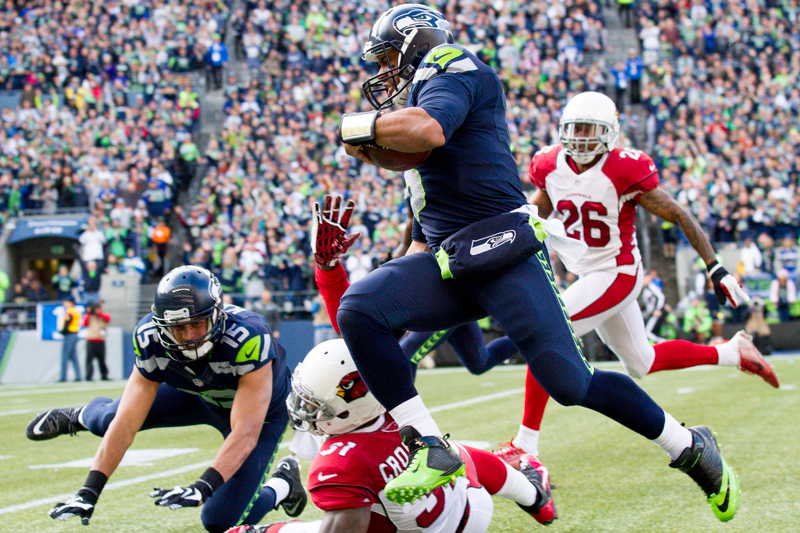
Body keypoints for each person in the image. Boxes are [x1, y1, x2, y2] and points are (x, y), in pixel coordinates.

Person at [337, 5, 739, 522]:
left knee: (570, 384)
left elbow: (428, 132)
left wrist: (358, 125)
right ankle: (429, 443)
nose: (385, 70)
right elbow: (422, 229)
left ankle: (688, 445)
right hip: (451, 261)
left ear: (416, 43)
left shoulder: (452, 64)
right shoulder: (416, 121)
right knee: (361, 308)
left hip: (502, 250)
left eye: (391, 54)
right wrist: (391, 300)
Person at [493, 92, 780, 471]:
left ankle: (525, 445)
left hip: (618, 272)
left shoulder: (624, 169)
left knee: (547, 332)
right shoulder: (548, 164)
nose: (580, 137)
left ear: (609, 134)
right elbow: (542, 207)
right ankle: (732, 352)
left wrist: (715, 267)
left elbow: (677, 212)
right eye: (574, 128)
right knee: (641, 362)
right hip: (589, 271)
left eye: (589, 130)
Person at [26, 266, 305, 533]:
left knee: (220, 521)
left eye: (197, 323)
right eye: (178, 327)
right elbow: (125, 424)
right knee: (111, 419)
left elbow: (245, 433)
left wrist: (202, 486)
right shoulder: (151, 337)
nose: (189, 336)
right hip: (196, 396)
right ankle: (81, 416)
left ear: (217, 314)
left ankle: (282, 486)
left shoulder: (247, 336)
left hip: (259, 415)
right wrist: (89, 491)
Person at [224, 339, 556, 533]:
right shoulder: (396, 408)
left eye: (316, 405)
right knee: (453, 452)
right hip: (472, 506)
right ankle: (534, 496)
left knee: (353, 517)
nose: (306, 411)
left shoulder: (340, 462)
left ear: (349, 405)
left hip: (418, 529)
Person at [83, 301, 111, 381]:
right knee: (89, 360)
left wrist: (98, 313)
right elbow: (84, 323)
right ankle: (89, 376)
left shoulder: (103, 315)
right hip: (91, 340)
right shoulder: (89, 316)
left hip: (100, 340)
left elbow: (108, 319)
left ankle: (104, 375)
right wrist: (89, 313)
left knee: (102, 360)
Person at [58, 297, 82, 382]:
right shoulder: (75, 311)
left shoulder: (70, 312)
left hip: (70, 334)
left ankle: (63, 377)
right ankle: (78, 376)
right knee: (73, 357)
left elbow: (67, 324)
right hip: (75, 334)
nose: (65, 304)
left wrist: (63, 331)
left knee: (65, 356)